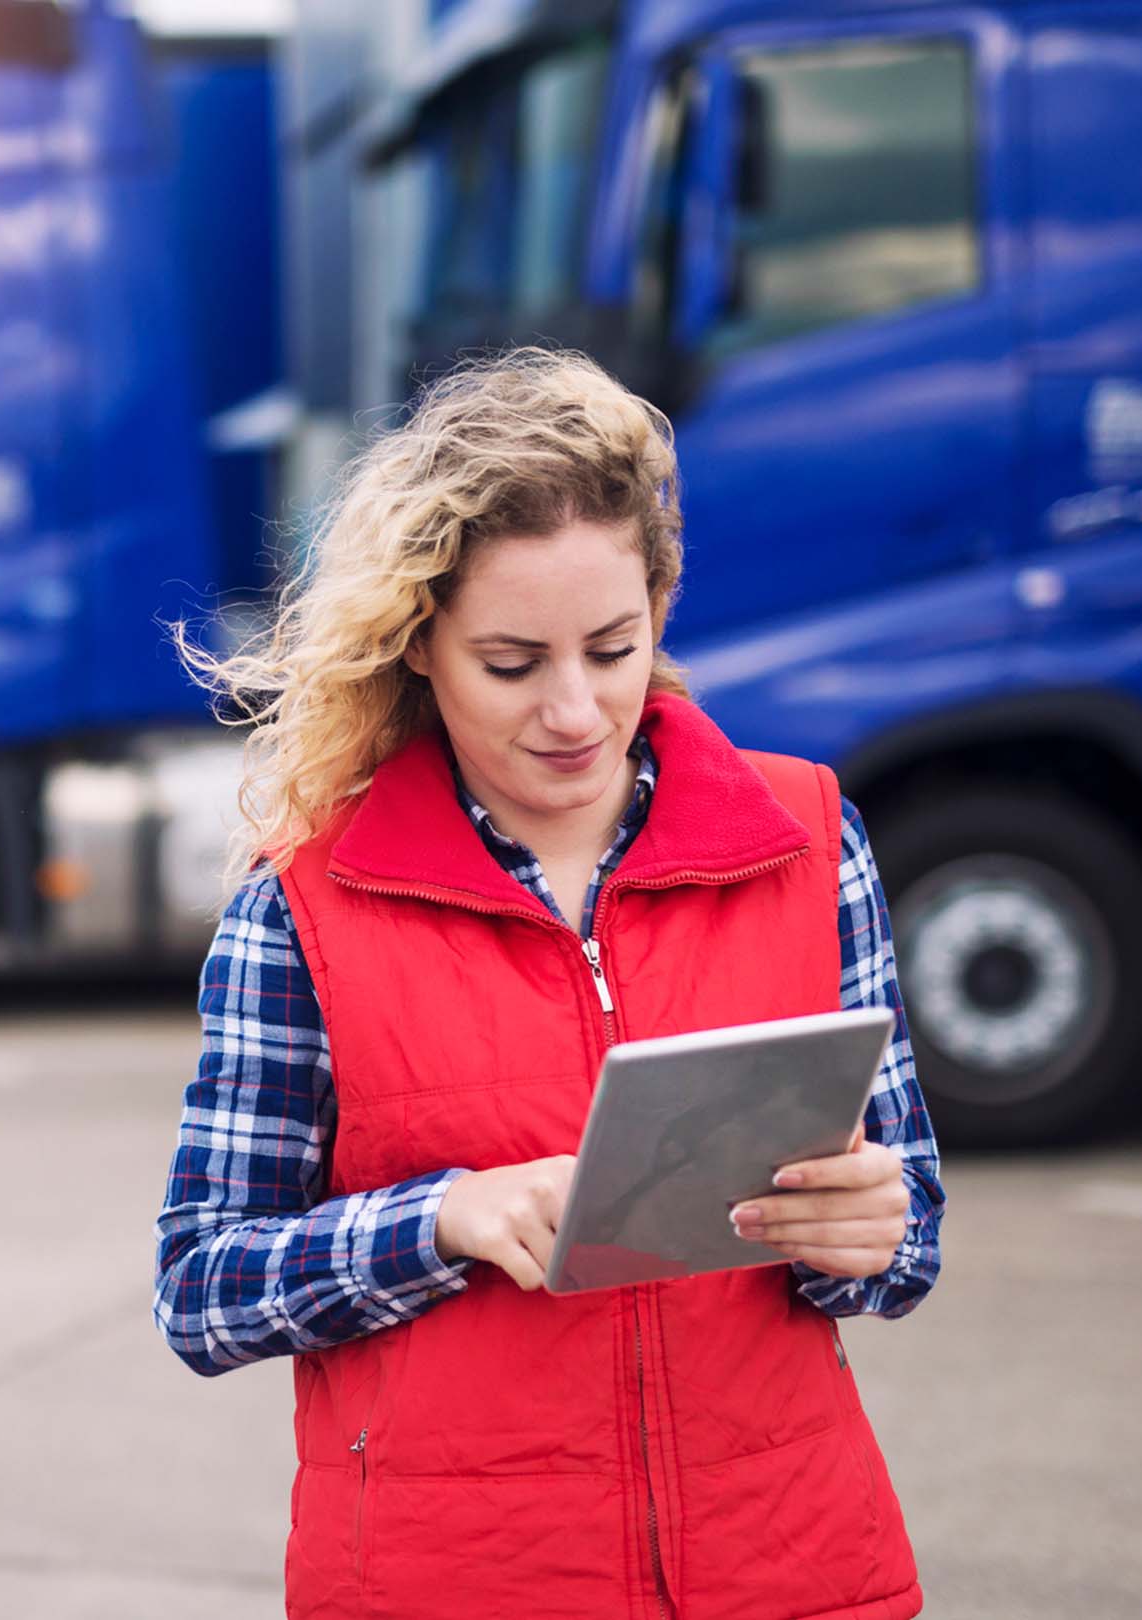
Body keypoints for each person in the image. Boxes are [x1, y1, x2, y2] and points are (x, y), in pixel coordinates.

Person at [153, 349, 943, 1620]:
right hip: (454, 1586)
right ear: (420, 646)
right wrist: (442, 1219)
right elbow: (201, 1290)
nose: (575, 709)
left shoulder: (808, 839)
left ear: (659, 612)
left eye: (612, 649)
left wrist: (874, 1233)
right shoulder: (302, 907)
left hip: (788, 1570)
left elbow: (903, 1233)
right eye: (513, 663)